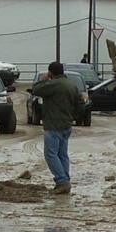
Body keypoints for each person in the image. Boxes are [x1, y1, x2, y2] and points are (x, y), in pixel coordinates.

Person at [31, 61, 82, 194]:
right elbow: (80, 104)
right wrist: (72, 117)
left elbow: (36, 90)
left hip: (53, 125)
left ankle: (62, 181)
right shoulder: (72, 85)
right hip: (66, 124)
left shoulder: (53, 84)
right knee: (62, 154)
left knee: (51, 155)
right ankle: (65, 180)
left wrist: (42, 80)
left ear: (50, 72)